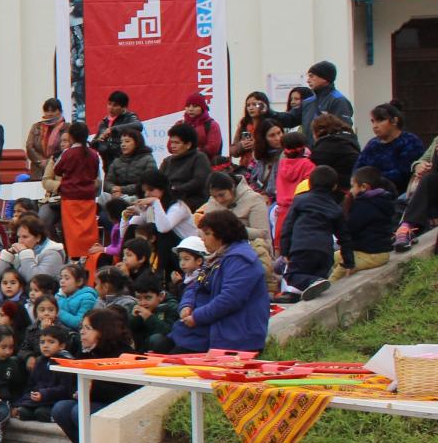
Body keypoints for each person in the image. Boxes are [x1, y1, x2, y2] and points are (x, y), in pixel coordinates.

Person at [169, 211, 270, 352]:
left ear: (223, 234)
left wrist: (197, 317)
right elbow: (195, 286)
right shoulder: (216, 257)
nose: (203, 239)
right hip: (210, 333)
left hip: (235, 337)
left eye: (208, 233)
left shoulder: (241, 259)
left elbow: (230, 299)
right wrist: (186, 305)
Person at [53, 307, 135, 443]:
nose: (82, 332)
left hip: (115, 404)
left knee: (79, 411)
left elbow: (123, 391)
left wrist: (90, 391)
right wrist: (76, 392)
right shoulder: (86, 351)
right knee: (61, 408)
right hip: (90, 400)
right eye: (81, 328)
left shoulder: (123, 353)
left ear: (103, 330)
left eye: (88, 328)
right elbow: (71, 380)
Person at [277, 166, 350, 301]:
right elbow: (344, 237)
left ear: (309, 183)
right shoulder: (336, 208)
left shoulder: (300, 201)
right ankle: (303, 290)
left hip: (301, 248)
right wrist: (349, 261)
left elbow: (287, 227)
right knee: (313, 283)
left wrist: (284, 251)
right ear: (334, 187)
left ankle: (314, 281)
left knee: (291, 276)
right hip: (325, 252)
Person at [271, 60, 354, 147]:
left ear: (324, 78)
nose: (308, 80)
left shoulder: (338, 101)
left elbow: (343, 132)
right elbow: (290, 119)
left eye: (311, 76)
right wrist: (269, 113)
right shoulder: (308, 102)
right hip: (310, 155)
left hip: (329, 154)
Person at [53, 122, 102, 260]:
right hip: (88, 197)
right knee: (88, 229)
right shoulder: (93, 154)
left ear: (71, 137)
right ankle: (91, 256)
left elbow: (57, 169)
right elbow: (94, 174)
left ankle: (74, 257)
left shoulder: (68, 153)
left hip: (70, 197)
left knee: (73, 231)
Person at [354, 102, 424, 193]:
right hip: (367, 191)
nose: (375, 126)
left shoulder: (410, 141)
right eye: (373, 121)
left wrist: (369, 179)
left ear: (394, 121)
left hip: (399, 194)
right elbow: (357, 168)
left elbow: (403, 174)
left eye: (380, 120)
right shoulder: (372, 143)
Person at [89, 90, 144, 165]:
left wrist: (113, 129)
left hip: (126, 163)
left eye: (115, 105)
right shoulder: (104, 122)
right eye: (109, 104)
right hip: (108, 165)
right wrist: (99, 141)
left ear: (124, 107)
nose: (111, 108)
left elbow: (138, 125)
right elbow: (94, 144)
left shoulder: (129, 117)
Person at [24, 98, 67, 173]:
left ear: (60, 111)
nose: (49, 114)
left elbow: (67, 147)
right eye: (47, 111)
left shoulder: (67, 127)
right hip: (38, 169)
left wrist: (51, 162)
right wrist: (40, 161)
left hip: (58, 168)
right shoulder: (36, 126)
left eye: (53, 111)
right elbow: (29, 146)